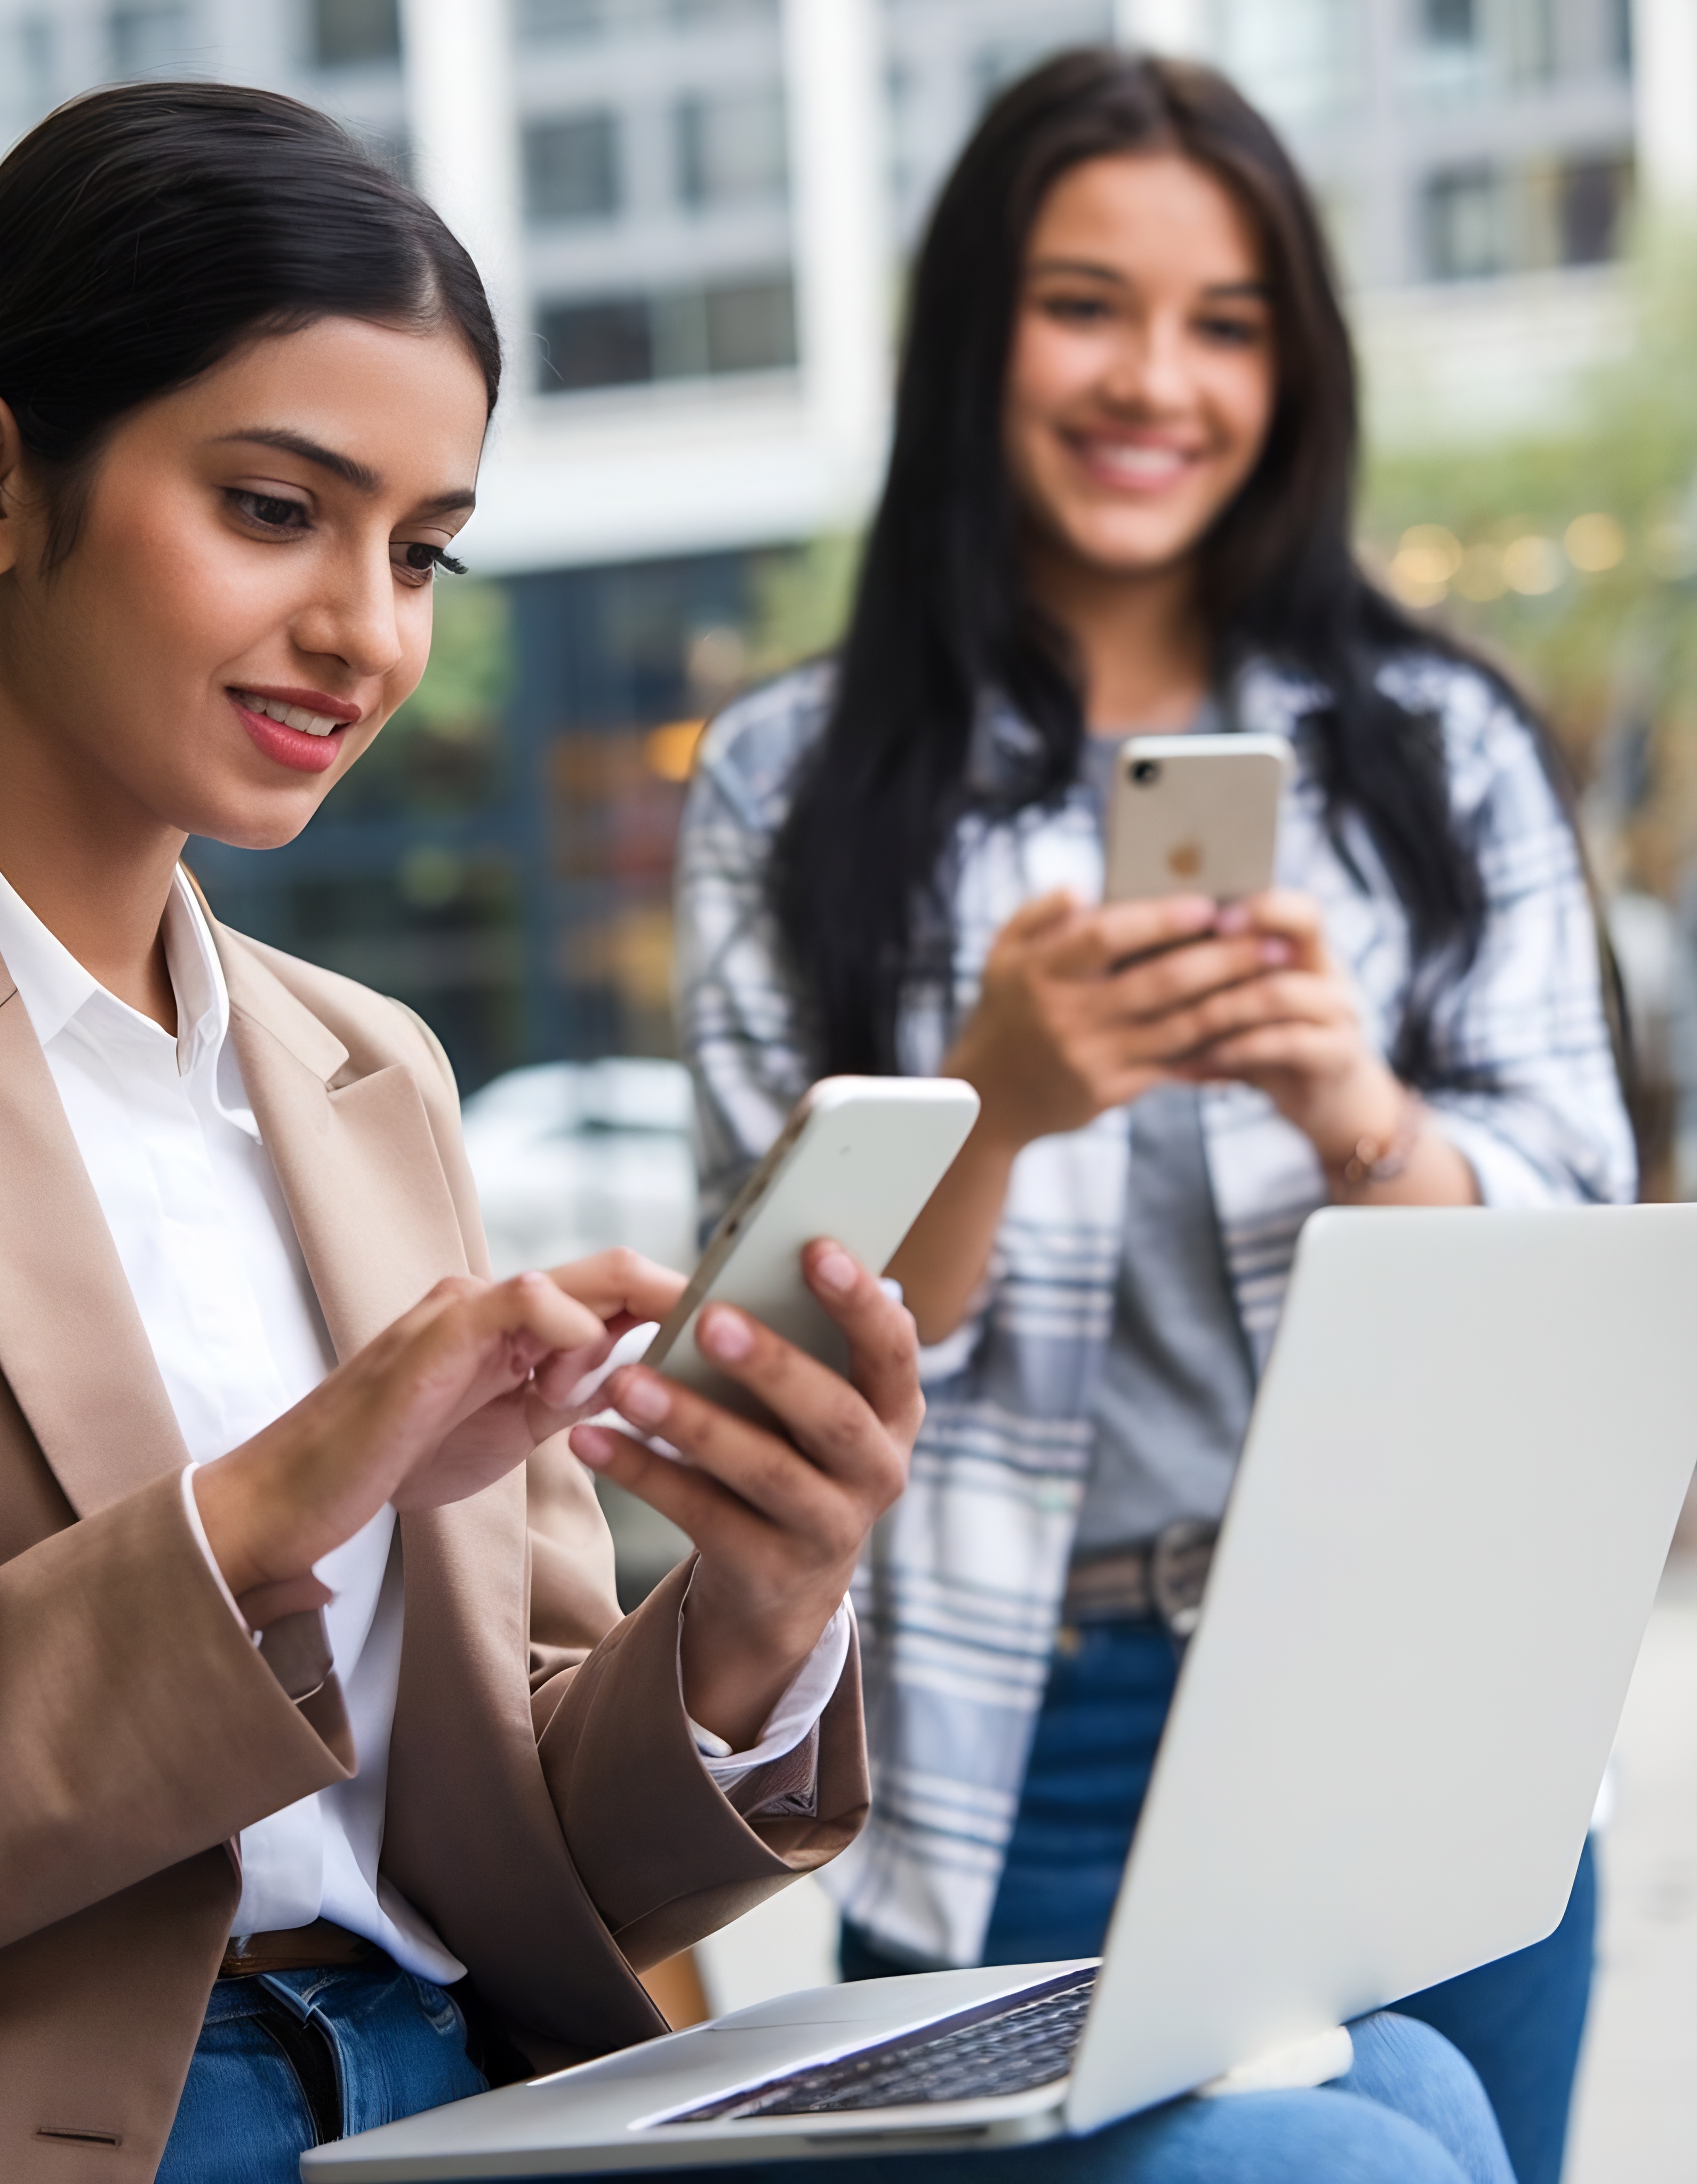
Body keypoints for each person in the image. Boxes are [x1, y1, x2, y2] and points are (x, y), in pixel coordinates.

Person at [0, 78, 1516, 2184]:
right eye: (276, 510)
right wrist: (267, 1508)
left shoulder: (364, 1069)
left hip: (471, 2098)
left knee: (1404, 2090)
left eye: (421, 549)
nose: (370, 630)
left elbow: (527, 1849)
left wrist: (750, 1623)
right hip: (62, 2127)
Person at [677, 48, 1633, 2184]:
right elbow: (771, 1375)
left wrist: (1354, 1107)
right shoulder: (787, 786)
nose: (1155, 382)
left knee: (1459, 2143)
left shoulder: (1435, 748)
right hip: (1029, 1719)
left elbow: (1581, 1260)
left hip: (1425, 1675)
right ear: (972, 336)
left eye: (1224, 323)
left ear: (1291, 367)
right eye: (1084, 303)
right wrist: (995, 1114)